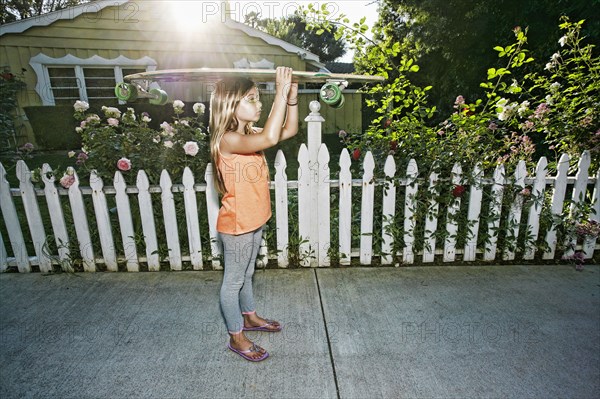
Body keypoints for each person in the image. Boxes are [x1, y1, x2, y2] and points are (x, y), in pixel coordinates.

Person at [209, 66, 299, 362]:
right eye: (251, 98)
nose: (259, 103)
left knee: (247, 274)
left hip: (255, 219)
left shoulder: (249, 133)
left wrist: (292, 99)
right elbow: (272, 138)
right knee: (233, 281)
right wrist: (280, 92)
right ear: (230, 104)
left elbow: (288, 131)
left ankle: (249, 317)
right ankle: (236, 335)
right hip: (236, 226)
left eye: (259, 98)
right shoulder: (228, 139)